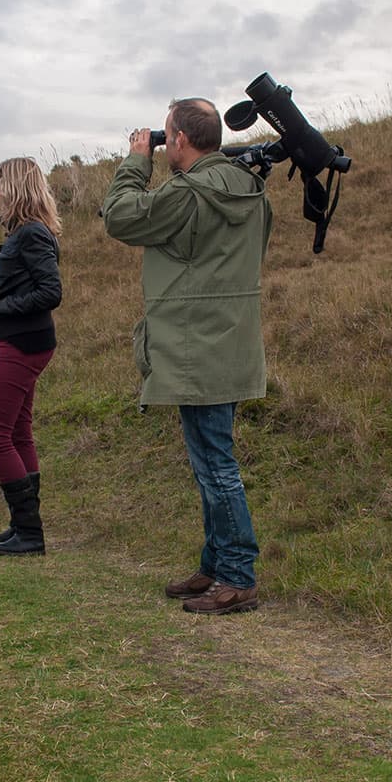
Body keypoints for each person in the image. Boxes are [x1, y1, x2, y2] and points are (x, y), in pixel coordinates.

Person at [102, 98, 272, 616]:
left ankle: (237, 576)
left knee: (216, 465)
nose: (163, 142)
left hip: (196, 346)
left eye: (166, 134)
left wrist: (136, 159)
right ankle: (215, 563)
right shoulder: (251, 189)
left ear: (177, 141)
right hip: (231, 341)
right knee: (208, 461)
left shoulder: (188, 191)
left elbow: (120, 216)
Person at [0, 157, 64, 556]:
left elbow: (51, 293)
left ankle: (30, 532)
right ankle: (22, 528)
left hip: (24, 342)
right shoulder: (25, 233)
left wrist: (0, 309)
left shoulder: (31, 234)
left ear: (14, 187)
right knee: (17, 432)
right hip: (19, 340)